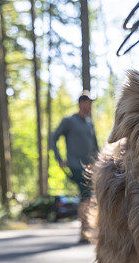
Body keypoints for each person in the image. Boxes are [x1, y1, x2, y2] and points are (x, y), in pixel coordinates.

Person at [50, 92, 99, 243]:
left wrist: (100, 163)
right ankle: (84, 231)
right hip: (76, 165)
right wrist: (59, 158)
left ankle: (88, 229)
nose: (90, 105)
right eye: (88, 102)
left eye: (91, 103)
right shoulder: (69, 121)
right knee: (86, 195)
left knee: (91, 197)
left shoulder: (90, 123)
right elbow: (53, 138)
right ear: (81, 103)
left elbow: (95, 146)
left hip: (91, 166)